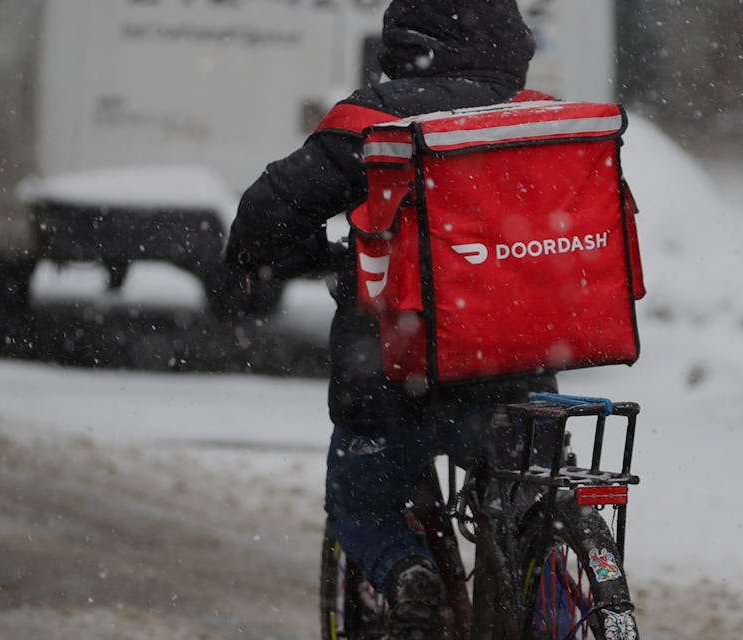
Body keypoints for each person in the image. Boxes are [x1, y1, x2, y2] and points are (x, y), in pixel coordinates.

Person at [222, 0, 555, 635]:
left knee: (363, 504)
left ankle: (406, 572)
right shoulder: (538, 120)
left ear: (402, 40)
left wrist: (248, 262)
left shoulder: (375, 120)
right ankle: (555, 586)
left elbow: (273, 206)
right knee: (525, 505)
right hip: (519, 370)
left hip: (396, 378)